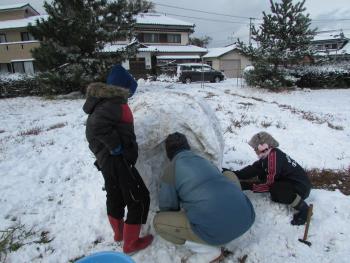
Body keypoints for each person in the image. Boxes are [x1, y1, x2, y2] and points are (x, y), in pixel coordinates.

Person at [83, 64, 153, 254]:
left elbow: (96, 128)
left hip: (108, 160)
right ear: (122, 88)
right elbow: (97, 127)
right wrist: (116, 146)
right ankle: (131, 244)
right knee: (139, 197)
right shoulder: (113, 104)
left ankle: (119, 234)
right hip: (117, 159)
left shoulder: (105, 102)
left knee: (115, 194)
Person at [153, 132, 255, 249]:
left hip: (217, 233)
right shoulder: (204, 160)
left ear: (168, 153)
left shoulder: (171, 170)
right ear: (187, 147)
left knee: (158, 222)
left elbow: (167, 207)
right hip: (247, 217)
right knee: (228, 174)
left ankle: (204, 249)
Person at [229, 131, 312, 225]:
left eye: (255, 148)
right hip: (292, 182)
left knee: (275, 189)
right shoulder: (269, 154)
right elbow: (254, 168)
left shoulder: (273, 159)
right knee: (261, 172)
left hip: (301, 188)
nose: (254, 150)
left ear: (264, 147)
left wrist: (246, 186)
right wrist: (236, 174)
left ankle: (304, 209)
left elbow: (268, 185)